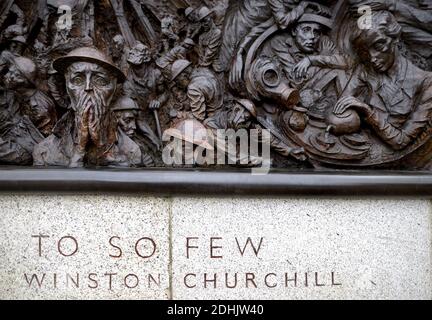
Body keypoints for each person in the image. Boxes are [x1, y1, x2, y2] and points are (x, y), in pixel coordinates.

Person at [332, 11, 432, 159]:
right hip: (360, 152)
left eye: (378, 45)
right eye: (366, 51)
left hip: (397, 160)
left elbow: (400, 141)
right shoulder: (365, 70)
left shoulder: (426, 82)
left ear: (395, 39)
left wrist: (368, 112)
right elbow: (340, 107)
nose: (372, 58)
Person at [33, 47, 143, 168]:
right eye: (78, 79)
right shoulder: (44, 151)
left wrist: (102, 147)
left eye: (99, 80)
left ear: (112, 90)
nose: (88, 88)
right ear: (67, 88)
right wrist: (79, 149)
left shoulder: (131, 152)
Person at [3, 56, 57, 137]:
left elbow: (40, 135)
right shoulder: (17, 94)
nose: (8, 77)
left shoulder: (38, 106)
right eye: (10, 72)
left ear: (25, 82)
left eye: (16, 75)